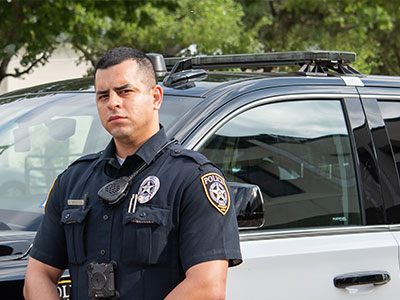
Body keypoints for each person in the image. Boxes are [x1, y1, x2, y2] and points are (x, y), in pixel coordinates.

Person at [23, 47, 242, 300]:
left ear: (156, 97)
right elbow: (38, 275)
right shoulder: (73, 181)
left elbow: (207, 288)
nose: (113, 102)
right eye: (102, 96)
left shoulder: (192, 178)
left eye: (124, 91)